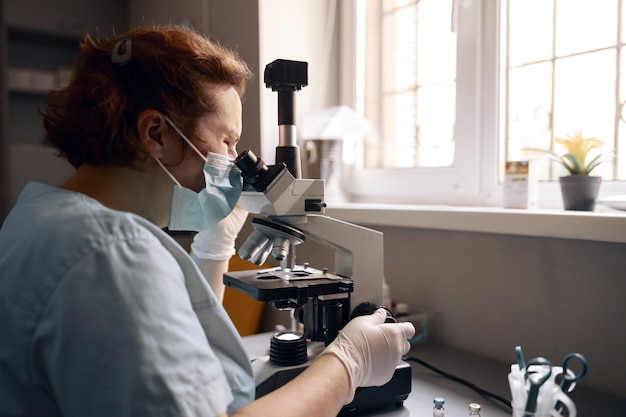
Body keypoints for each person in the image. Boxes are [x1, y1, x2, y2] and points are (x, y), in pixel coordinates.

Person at [0, 26, 415, 417]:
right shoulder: (112, 254)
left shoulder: (38, 213)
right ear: (156, 134)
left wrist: (214, 248)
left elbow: (168, 347)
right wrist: (348, 365)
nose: (234, 162)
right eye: (228, 141)